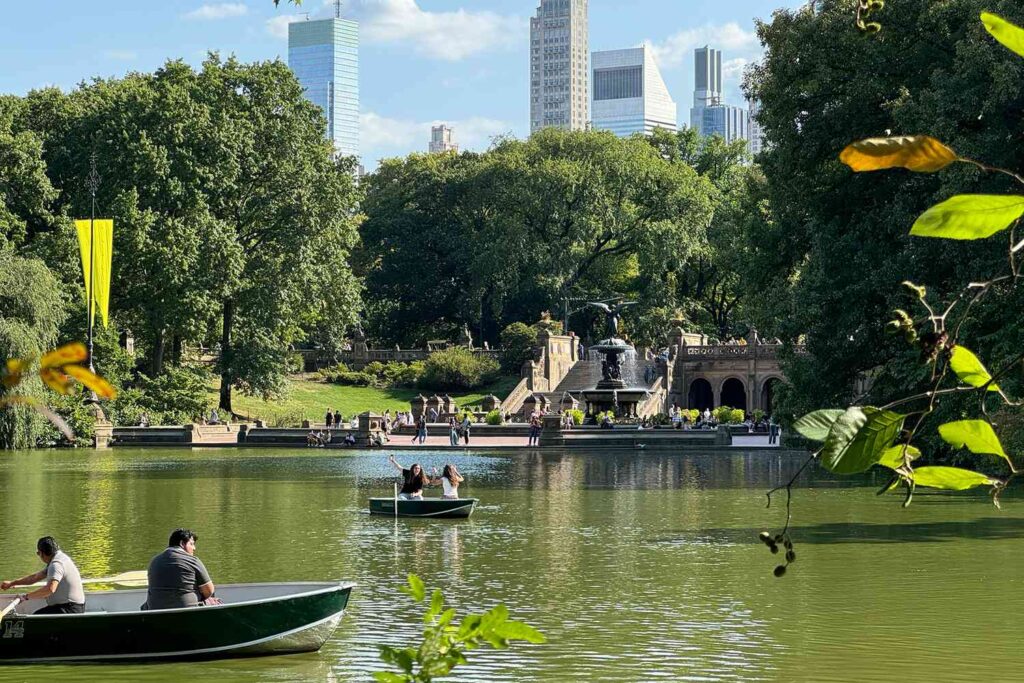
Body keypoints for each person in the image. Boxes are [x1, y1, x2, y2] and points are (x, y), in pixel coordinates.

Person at [1, 536, 85, 614]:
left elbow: (50, 589)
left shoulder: (56, 565)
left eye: (38, 553)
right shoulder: (59, 558)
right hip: (70, 606)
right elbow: (35, 577)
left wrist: (26, 597)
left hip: (70, 609)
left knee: (35, 618)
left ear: (42, 553)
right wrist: (12, 583)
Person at [144, 528, 221, 610]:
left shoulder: (154, 561)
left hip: (155, 610)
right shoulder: (193, 561)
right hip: (188, 610)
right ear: (182, 543)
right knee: (215, 601)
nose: (194, 548)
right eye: (191, 544)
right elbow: (209, 591)